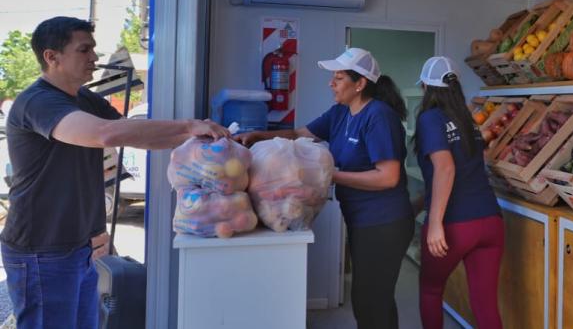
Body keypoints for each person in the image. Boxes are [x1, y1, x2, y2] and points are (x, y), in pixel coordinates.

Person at [1, 16, 231, 329]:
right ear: (51, 57)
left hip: (78, 247)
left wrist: (203, 137)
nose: (94, 57)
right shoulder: (38, 102)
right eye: (84, 50)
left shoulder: (82, 98)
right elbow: (105, 134)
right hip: (42, 250)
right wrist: (189, 126)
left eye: (93, 49)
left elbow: (134, 132)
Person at [235, 47, 413, 329]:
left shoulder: (379, 116)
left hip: (385, 221)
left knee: (371, 299)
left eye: (339, 78)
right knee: (368, 297)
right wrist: (259, 136)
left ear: (360, 84)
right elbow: (298, 134)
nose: (331, 83)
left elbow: (388, 177)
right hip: (361, 218)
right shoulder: (340, 113)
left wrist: (330, 175)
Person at [413, 56, 504, 329]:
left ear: (426, 89)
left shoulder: (430, 118)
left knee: (430, 289)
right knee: (485, 303)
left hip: (455, 223)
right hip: (490, 221)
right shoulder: (467, 118)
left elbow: (446, 169)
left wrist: (436, 224)